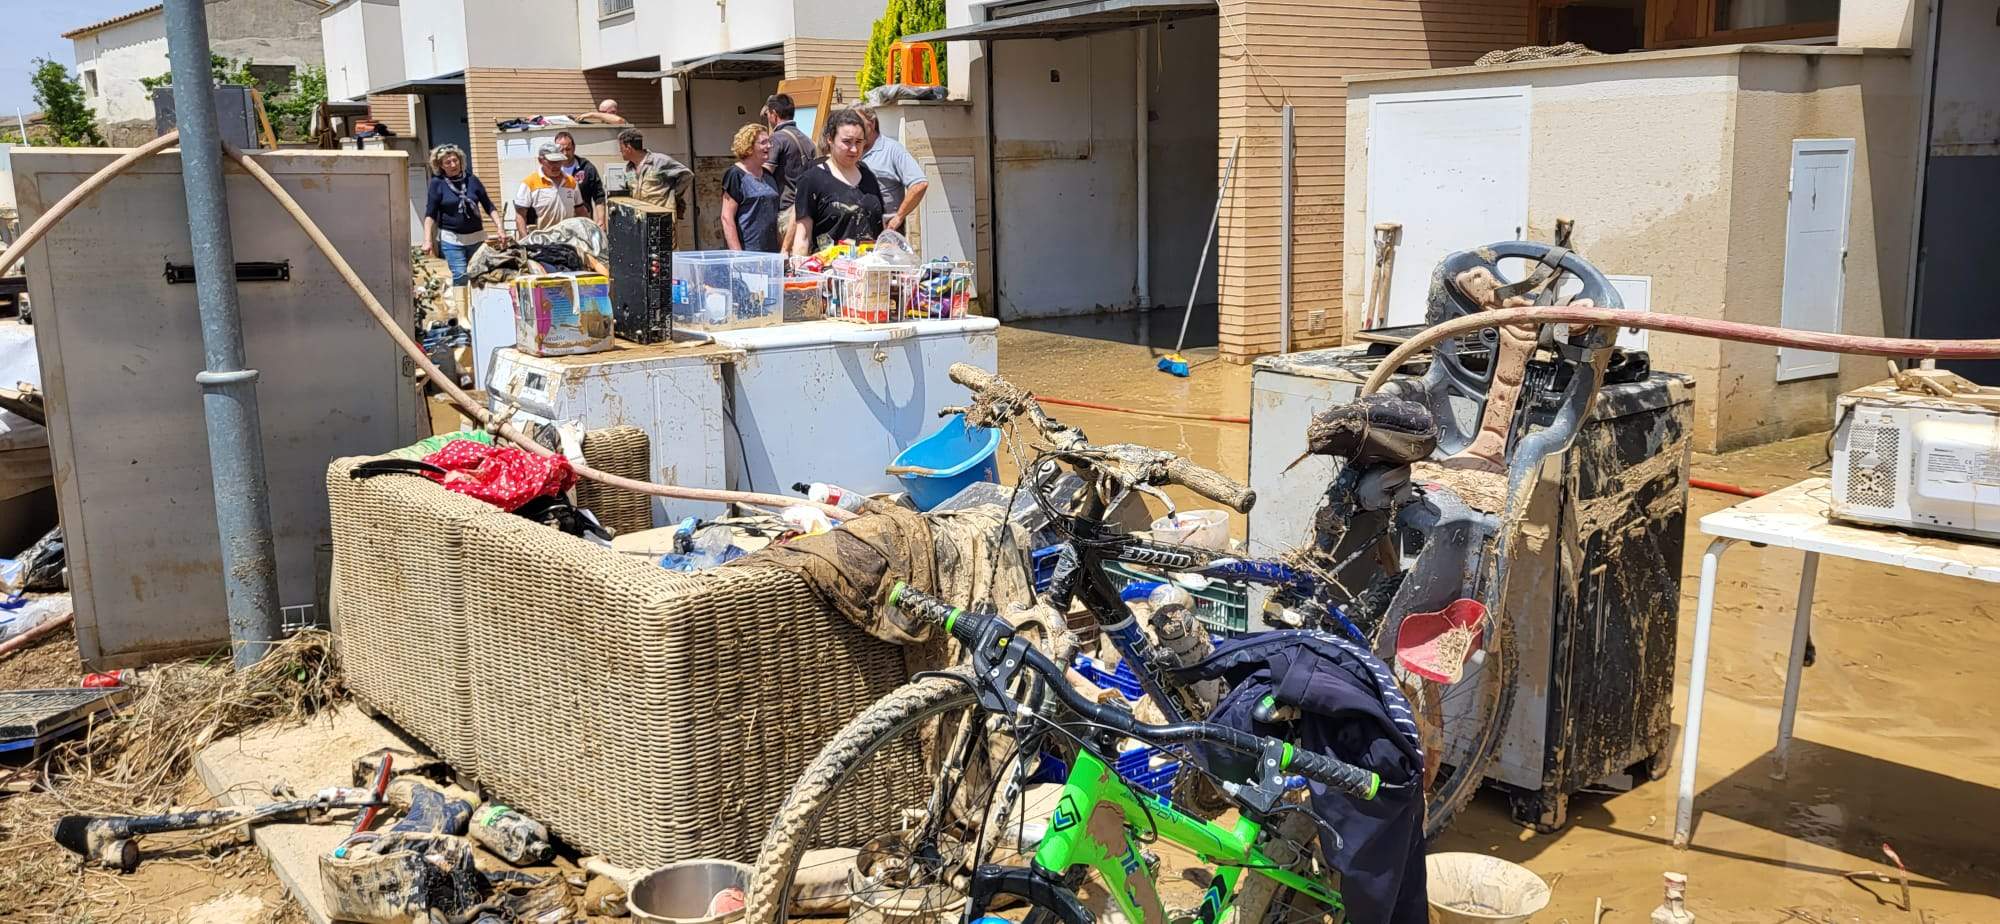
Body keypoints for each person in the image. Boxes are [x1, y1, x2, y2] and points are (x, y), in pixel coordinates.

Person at [790, 109, 885, 255]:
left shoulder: (869, 176)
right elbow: (803, 237)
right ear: (830, 139)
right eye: (847, 142)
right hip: (830, 272)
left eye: (859, 142)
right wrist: (799, 270)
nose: (854, 149)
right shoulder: (811, 180)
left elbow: (879, 227)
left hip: (869, 270)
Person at [422, 144, 500, 286]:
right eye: (448, 162)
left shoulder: (472, 180)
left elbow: (489, 206)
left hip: (476, 238)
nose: (453, 165)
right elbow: (430, 214)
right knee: (461, 275)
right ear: (440, 165)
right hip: (452, 239)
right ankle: (462, 306)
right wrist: (427, 240)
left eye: (455, 160)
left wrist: (500, 228)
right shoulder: (437, 183)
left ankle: (477, 306)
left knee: (480, 275)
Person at [855, 107, 930, 235]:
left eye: (858, 122)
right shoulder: (852, 150)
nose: (854, 128)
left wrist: (898, 217)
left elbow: (919, 184)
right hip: (856, 228)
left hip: (886, 230)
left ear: (872, 123)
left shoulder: (892, 150)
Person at [720, 124, 780, 252]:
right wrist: (738, 255)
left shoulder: (768, 175)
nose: (769, 146)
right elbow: (727, 217)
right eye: (763, 142)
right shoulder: (735, 175)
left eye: (769, 142)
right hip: (748, 253)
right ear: (749, 147)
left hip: (771, 253)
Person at [761, 93, 814, 239]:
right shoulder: (808, 140)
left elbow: (765, 172)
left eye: (767, 114)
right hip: (804, 211)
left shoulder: (777, 138)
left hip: (784, 212)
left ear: (774, 114)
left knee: (782, 259)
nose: (768, 118)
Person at [512, 141, 587, 236]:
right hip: (542, 241)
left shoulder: (571, 181)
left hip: (568, 239)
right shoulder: (530, 183)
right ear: (540, 161)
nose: (556, 166)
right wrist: (525, 240)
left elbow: (580, 210)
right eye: (552, 162)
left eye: (559, 161)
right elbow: (520, 215)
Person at [615, 128, 693, 217]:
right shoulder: (629, 168)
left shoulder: (660, 161)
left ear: (628, 148)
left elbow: (687, 175)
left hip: (661, 218)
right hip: (639, 218)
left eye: (621, 148)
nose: (620, 151)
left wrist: (673, 196)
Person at [553, 130, 607, 230]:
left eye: (568, 149)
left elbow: (599, 196)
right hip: (558, 225)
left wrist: (601, 220)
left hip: (582, 224)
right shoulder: (551, 169)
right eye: (561, 150)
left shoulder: (587, 168)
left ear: (574, 148)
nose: (565, 153)